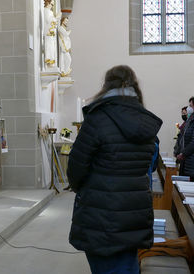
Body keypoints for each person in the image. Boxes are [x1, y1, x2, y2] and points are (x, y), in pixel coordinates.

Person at [67, 65, 162, 273]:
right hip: (135, 209)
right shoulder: (146, 121)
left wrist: (84, 189)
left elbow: (75, 167)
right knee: (126, 264)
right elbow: (152, 163)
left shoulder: (97, 118)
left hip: (101, 209)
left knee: (106, 266)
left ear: (106, 85)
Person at [176, 99, 194, 181]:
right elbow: (182, 138)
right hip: (186, 160)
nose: (188, 108)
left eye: (190, 106)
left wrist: (183, 153)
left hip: (190, 161)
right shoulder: (189, 120)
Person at [44, 0, 61, 68]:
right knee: (49, 47)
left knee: (52, 47)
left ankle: (51, 62)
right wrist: (56, 17)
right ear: (49, 2)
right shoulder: (46, 10)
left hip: (51, 34)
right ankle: (49, 62)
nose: (53, 3)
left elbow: (53, 22)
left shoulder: (49, 11)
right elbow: (49, 20)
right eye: (52, 1)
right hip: (48, 33)